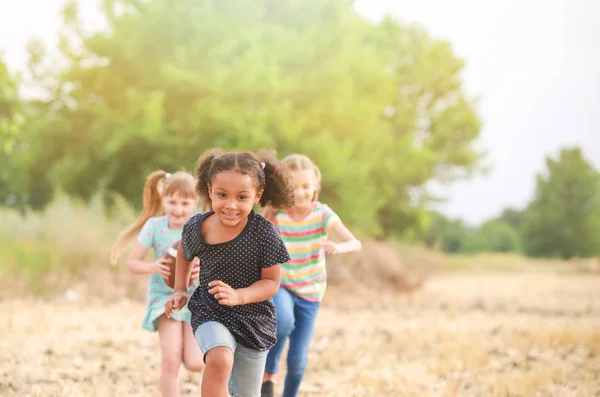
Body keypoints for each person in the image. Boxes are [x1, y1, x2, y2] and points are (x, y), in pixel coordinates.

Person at [165, 149, 295, 397]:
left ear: (257, 196)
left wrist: (239, 296)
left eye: (242, 197)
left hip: (254, 320)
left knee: (247, 394)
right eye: (222, 195)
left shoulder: (264, 234)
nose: (231, 205)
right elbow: (184, 253)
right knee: (219, 358)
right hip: (211, 311)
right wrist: (180, 289)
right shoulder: (198, 226)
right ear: (209, 190)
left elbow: (271, 282)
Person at [261, 154, 362, 397]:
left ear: (314, 187)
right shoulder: (278, 216)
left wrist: (339, 247)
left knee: (298, 360)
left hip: (311, 293)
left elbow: (354, 242)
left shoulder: (322, 214)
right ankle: (267, 377)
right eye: (294, 187)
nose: (301, 192)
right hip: (283, 285)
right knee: (282, 322)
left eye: (306, 186)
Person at [110, 170, 205, 397]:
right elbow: (132, 262)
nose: (178, 209)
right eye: (172, 202)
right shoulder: (154, 226)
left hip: (195, 300)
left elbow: (216, 260)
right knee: (170, 359)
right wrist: (153, 267)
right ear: (163, 199)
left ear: (196, 203)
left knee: (194, 362)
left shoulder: (201, 226)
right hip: (166, 299)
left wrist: (202, 270)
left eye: (185, 202)